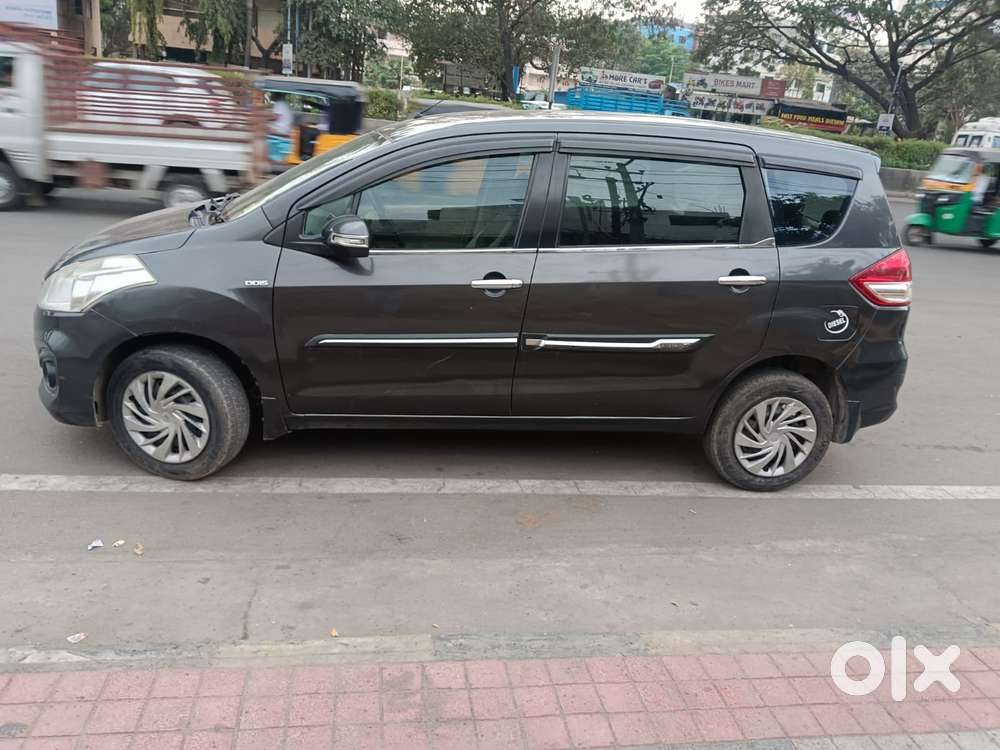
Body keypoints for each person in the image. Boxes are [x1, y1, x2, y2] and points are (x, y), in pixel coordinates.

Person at [267, 92, 294, 164]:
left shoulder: (279, 104)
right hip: (282, 134)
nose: (270, 95)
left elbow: (275, 117)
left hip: (278, 135)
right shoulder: (283, 105)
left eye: (271, 94)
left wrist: (263, 118)